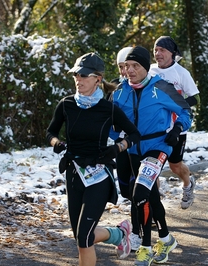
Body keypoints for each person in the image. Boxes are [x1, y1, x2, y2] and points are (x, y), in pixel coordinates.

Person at [46, 52, 141, 265]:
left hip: (99, 175)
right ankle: (118, 234)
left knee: (84, 237)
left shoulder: (108, 109)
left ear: (98, 79)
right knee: (80, 236)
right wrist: (57, 144)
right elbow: (49, 133)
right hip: (74, 173)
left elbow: (134, 134)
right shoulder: (66, 105)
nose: (78, 80)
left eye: (84, 76)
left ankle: (118, 235)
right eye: (76, 75)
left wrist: (117, 148)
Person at [111, 46, 192, 265]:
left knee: (140, 193)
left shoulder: (161, 87)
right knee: (150, 196)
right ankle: (166, 237)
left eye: (135, 65)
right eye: (127, 66)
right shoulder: (119, 92)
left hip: (158, 146)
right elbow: (111, 122)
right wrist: (115, 139)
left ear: (146, 67)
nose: (130, 70)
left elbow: (186, 111)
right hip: (133, 149)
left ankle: (145, 247)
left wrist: (177, 129)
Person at [149, 36, 200, 209]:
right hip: (154, 129)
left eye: (162, 50)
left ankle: (188, 184)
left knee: (175, 166)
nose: (158, 53)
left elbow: (195, 98)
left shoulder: (181, 73)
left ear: (172, 53)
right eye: (155, 50)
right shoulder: (150, 72)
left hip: (176, 128)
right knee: (152, 168)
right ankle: (155, 206)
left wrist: (176, 105)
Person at [110, 46, 143, 252]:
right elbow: (107, 120)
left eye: (128, 66)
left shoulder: (141, 87)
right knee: (126, 191)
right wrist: (116, 136)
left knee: (136, 191)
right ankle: (146, 216)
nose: (124, 71)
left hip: (140, 146)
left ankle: (138, 233)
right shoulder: (114, 89)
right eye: (121, 67)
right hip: (120, 147)